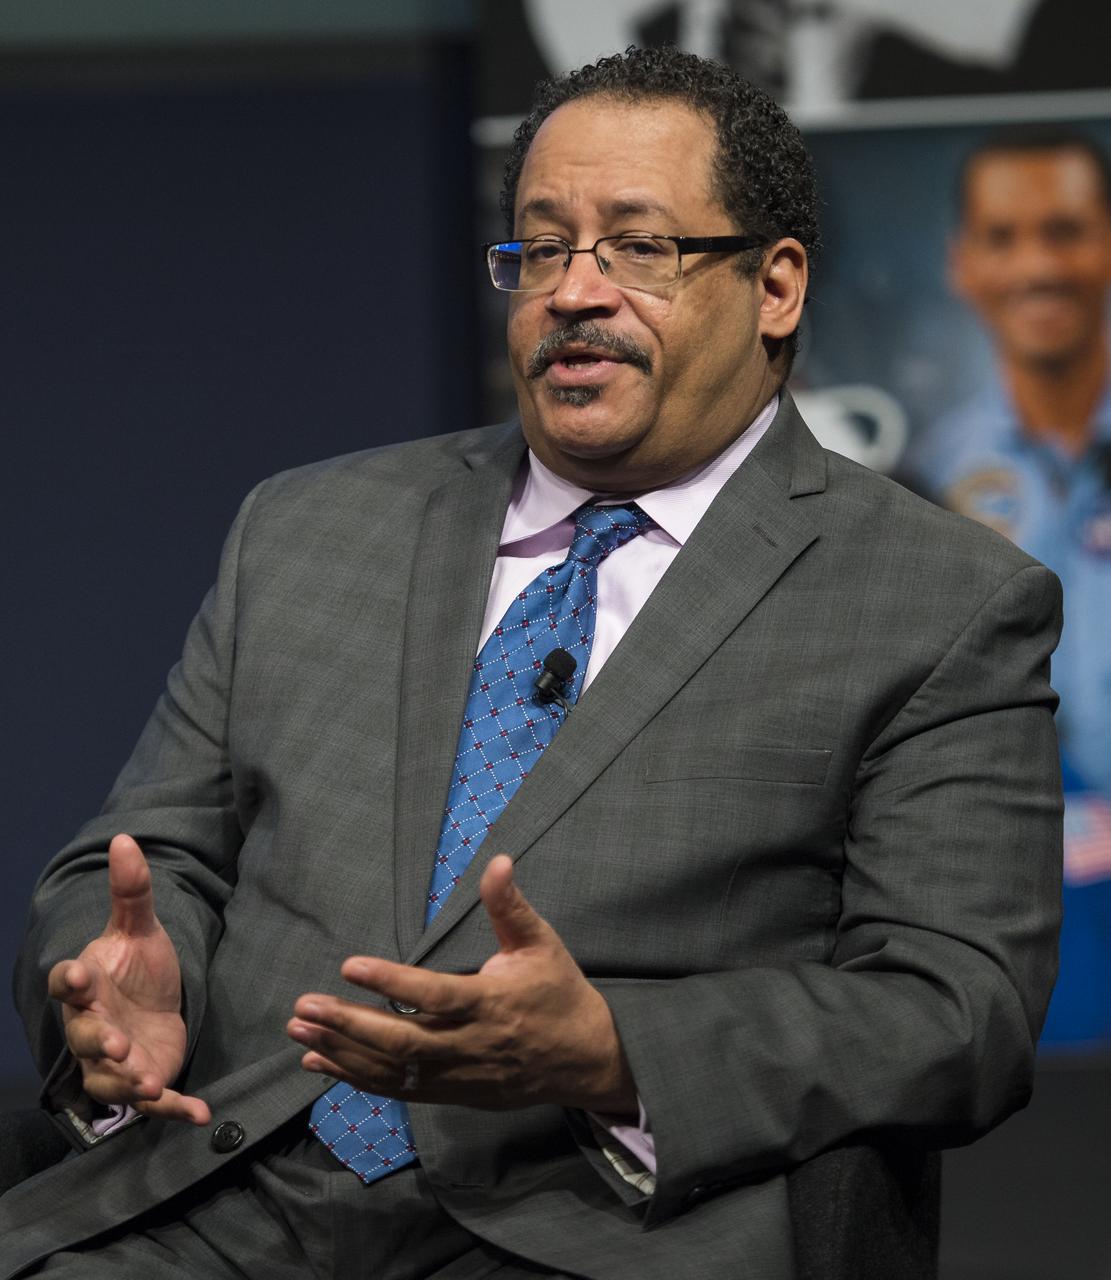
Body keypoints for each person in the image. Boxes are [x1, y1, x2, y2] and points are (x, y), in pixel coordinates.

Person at [2, 46, 1063, 1280]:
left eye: (638, 248)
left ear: (775, 286)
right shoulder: (307, 528)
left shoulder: (935, 599)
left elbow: (955, 1009)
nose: (575, 292)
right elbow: (143, 858)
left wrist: (612, 1048)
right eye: (541, 248)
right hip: (228, 1192)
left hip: (594, 1222)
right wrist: (130, 979)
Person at [905, 126, 1111, 1047]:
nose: (1037, 266)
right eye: (1003, 236)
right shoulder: (919, 484)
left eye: (1065, 230)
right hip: (1013, 895)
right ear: (962, 264)